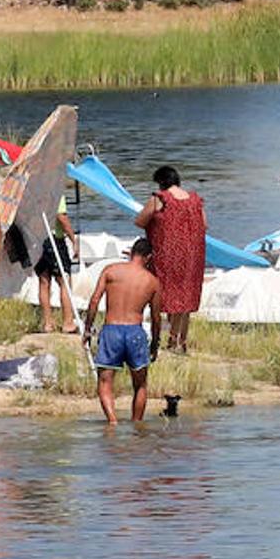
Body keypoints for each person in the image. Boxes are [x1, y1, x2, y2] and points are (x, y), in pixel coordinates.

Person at [83, 237, 163, 425]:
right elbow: (157, 318)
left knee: (105, 381)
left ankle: (112, 422)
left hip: (112, 330)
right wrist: (155, 343)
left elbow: (94, 300)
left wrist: (88, 329)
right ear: (149, 257)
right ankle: (137, 425)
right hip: (135, 332)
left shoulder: (111, 271)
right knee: (141, 384)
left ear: (131, 252)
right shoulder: (152, 281)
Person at [134, 165, 206, 353]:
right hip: (193, 254)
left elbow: (140, 221)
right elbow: (204, 225)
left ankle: (165, 340)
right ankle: (180, 341)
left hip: (167, 253)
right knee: (186, 295)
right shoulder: (195, 201)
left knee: (166, 295)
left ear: (161, 182)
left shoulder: (159, 199)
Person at [34, 197, 79, 334]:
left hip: (36, 239)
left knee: (44, 280)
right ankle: (68, 322)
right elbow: (61, 217)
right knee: (64, 280)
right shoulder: (55, 190)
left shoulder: (32, 191)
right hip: (54, 239)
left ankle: (48, 323)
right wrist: (73, 239)